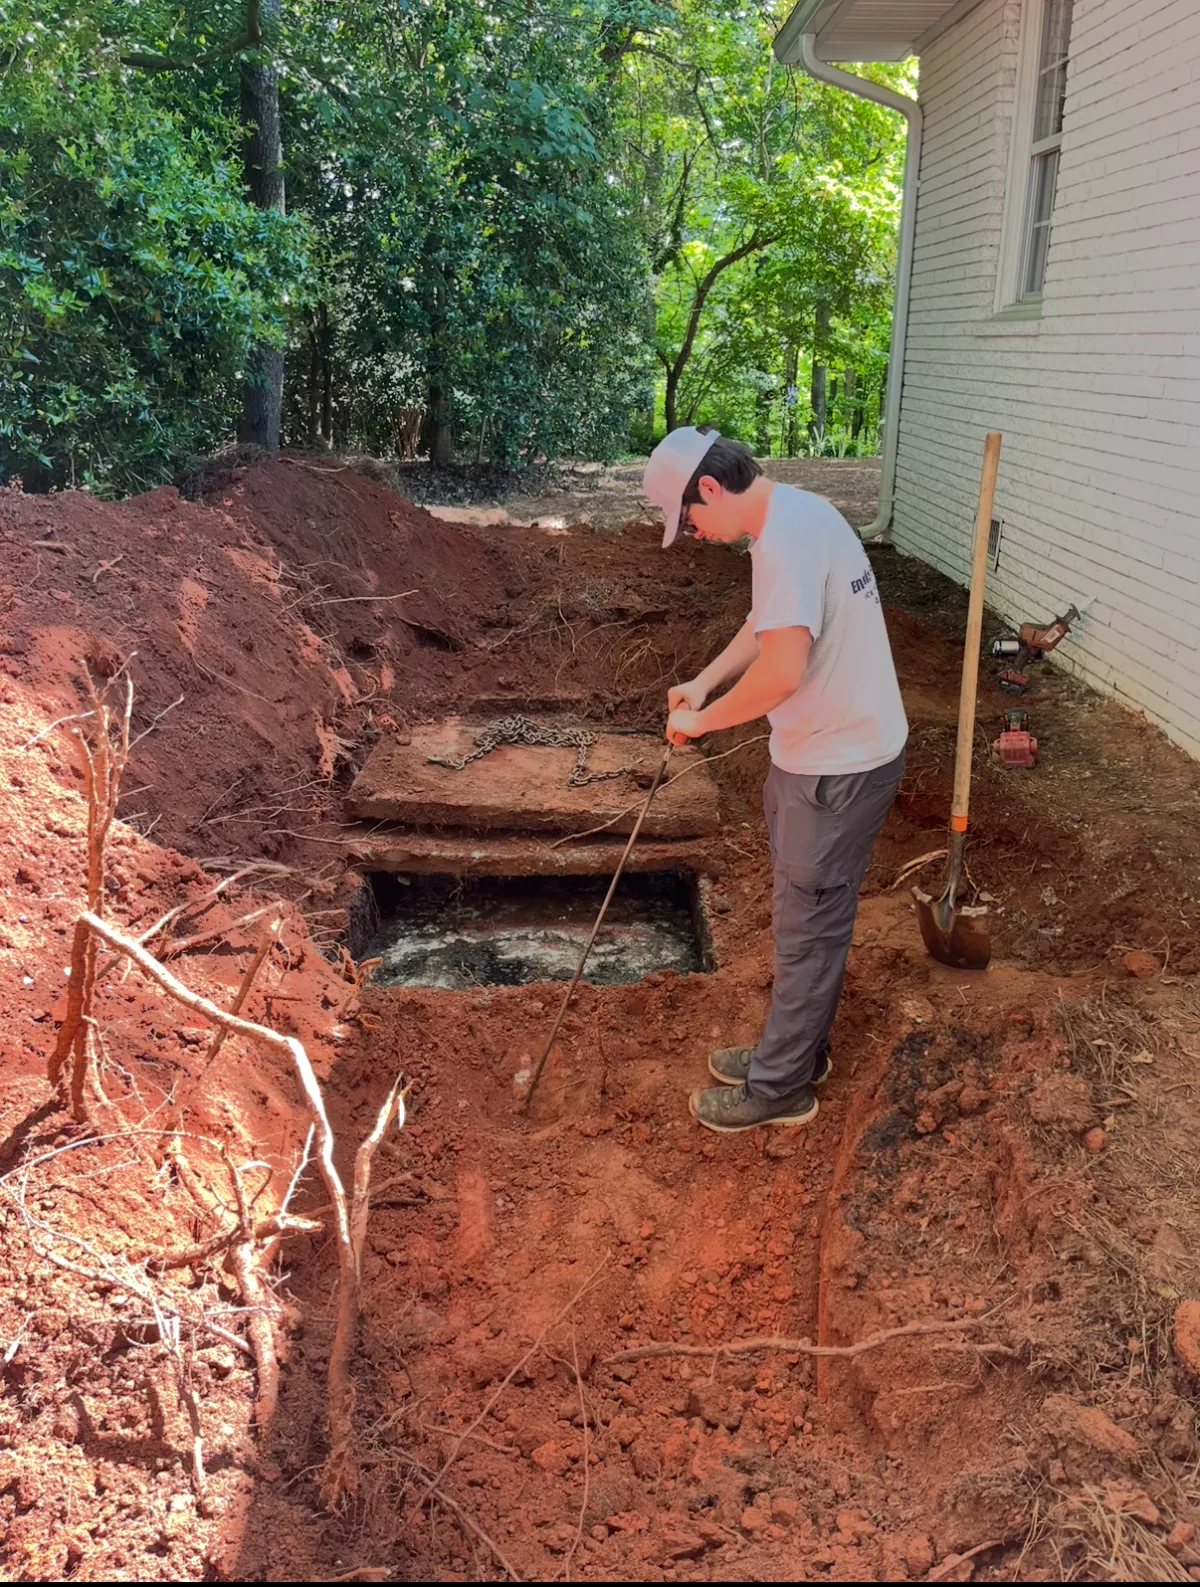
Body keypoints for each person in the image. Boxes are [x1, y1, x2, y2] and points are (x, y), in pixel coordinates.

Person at [642, 426, 908, 1134]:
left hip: (837, 766)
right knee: (804, 918)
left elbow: (783, 672)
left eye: (689, 521)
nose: (694, 535)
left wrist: (703, 723)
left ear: (709, 487)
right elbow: (769, 623)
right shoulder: (795, 515)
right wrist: (704, 681)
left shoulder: (787, 537)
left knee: (806, 928)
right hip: (828, 753)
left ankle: (780, 1087)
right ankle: (794, 1053)